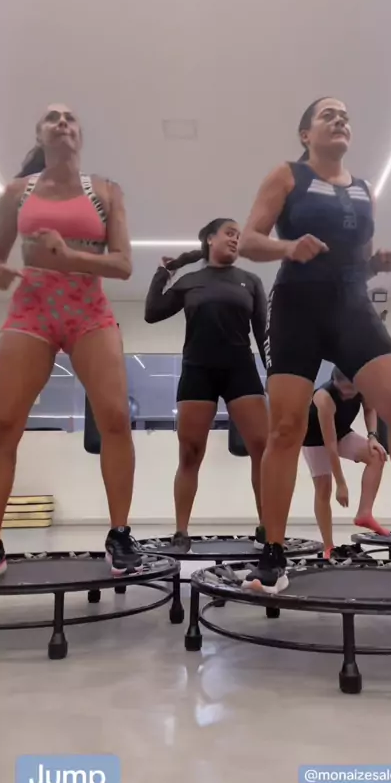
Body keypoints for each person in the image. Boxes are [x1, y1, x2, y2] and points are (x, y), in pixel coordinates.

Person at [239, 96, 391, 592]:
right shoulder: (287, 176)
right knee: (285, 429)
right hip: (296, 306)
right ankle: (273, 553)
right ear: (306, 134)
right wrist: (288, 246)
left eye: (345, 116)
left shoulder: (364, 190)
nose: (339, 119)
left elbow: (356, 263)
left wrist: (375, 264)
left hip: (350, 306)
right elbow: (250, 239)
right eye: (327, 114)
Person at [0, 103, 142, 579]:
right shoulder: (17, 192)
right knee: (0, 425)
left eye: (70, 118)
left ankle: (120, 534)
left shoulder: (106, 191)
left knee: (115, 418)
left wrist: (68, 255)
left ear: (79, 135)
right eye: (52, 117)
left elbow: (123, 265)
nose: (62, 122)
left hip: (88, 312)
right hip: (32, 310)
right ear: (40, 134)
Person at [145, 218, 268, 550]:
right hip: (198, 370)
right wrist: (164, 272)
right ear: (210, 239)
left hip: (240, 369)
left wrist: (274, 372)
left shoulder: (250, 281)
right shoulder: (191, 281)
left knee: (262, 448)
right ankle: (181, 532)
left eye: (238, 235)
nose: (235, 239)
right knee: (190, 453)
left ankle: (267, 527)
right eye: (229, 233)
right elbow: (152, 313)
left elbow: (263, 333)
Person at [302, 366, 389, 559]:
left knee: (376, 456)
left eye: (351, 390)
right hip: (314, 438)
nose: (347, 395)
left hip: (341, 431)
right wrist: (341, 483)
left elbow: (370, 409)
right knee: (324, 489)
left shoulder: (364, 387)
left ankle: (364, 514)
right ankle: (328, 546)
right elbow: (330, 444)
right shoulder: (324, 397)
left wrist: (373, 437)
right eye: (343, 390)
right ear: (334, 382)